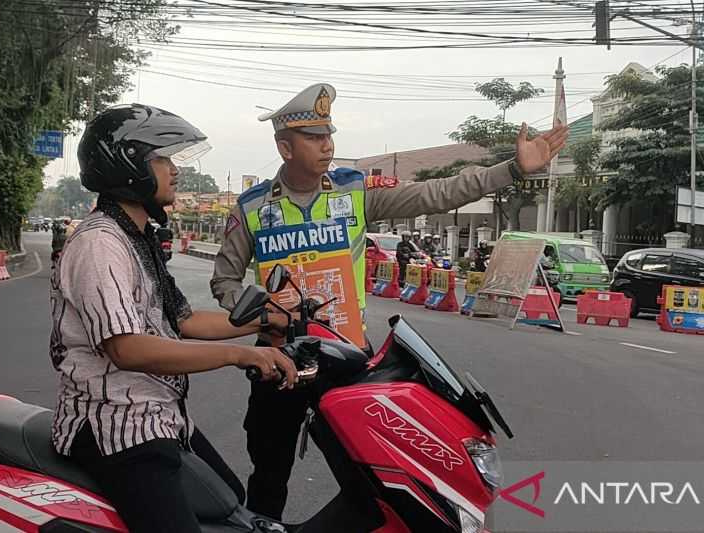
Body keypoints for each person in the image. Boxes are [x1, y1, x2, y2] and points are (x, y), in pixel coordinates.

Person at [210, 83, 568, 519]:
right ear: (285, 148)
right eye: (314, 138)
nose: (328, 145)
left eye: (329, 135)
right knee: (269, 475)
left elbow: (435, 193)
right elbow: (225, 281)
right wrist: (264, 310)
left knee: (368, 473)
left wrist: (512, 169)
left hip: (344, 357)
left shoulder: (353, 191)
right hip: (278, 361)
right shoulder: (250, 208)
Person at [49, 103, 298, 533]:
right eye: (161, 159)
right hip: (116, 426)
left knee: (229, 499)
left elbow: (183, 320)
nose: (174, 170)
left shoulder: (138, 237)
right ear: (128, 166)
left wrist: (263, 322)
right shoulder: (100, 244)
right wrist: (238, 356)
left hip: (158, 415)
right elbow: (125, 347)